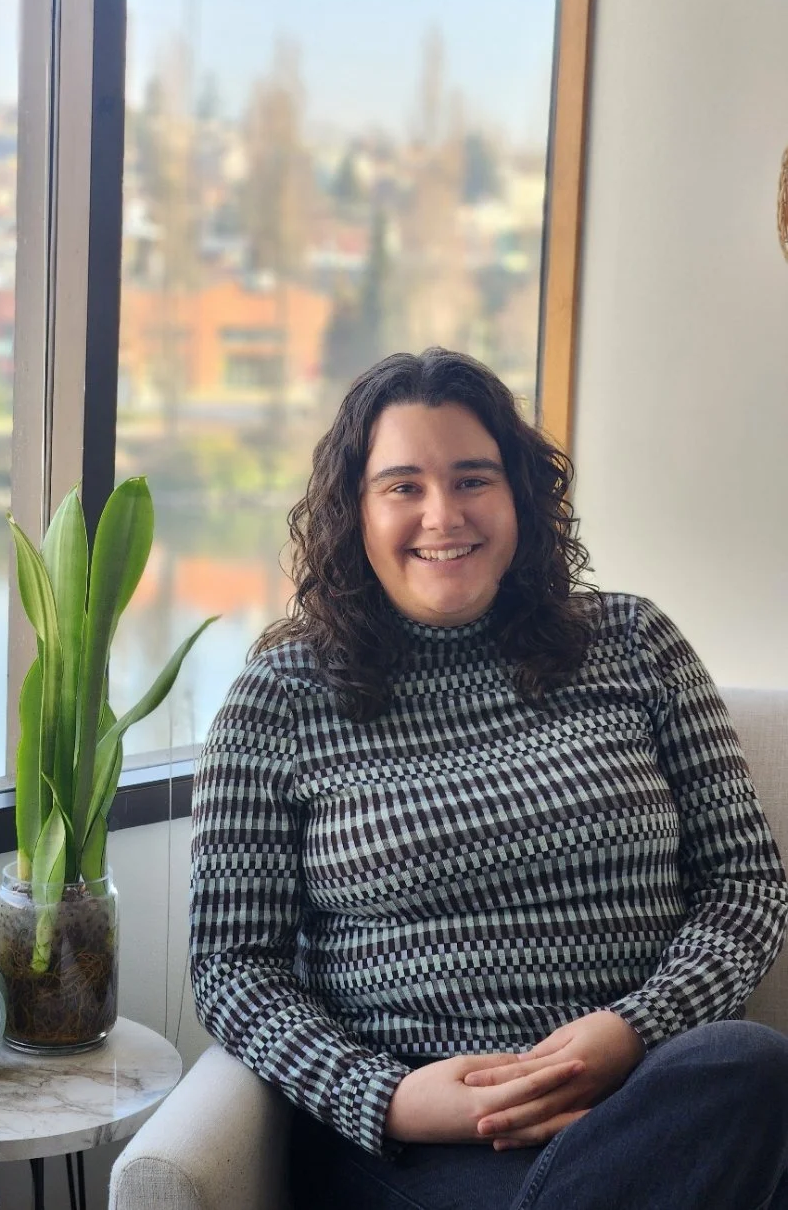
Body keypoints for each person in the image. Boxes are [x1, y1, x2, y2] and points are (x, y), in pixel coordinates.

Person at [189, 347, 788, 1209]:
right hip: (414, 1151)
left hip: (654, 1104)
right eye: (402, 486)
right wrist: (390, 1098)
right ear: (352, 512)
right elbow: (233, 965)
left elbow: (744, 884)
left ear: (520, 499)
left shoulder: (634, 644)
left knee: (748, 1064)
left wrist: (631, 1032)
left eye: (473, 479)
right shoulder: (279, 699)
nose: (443, 515)